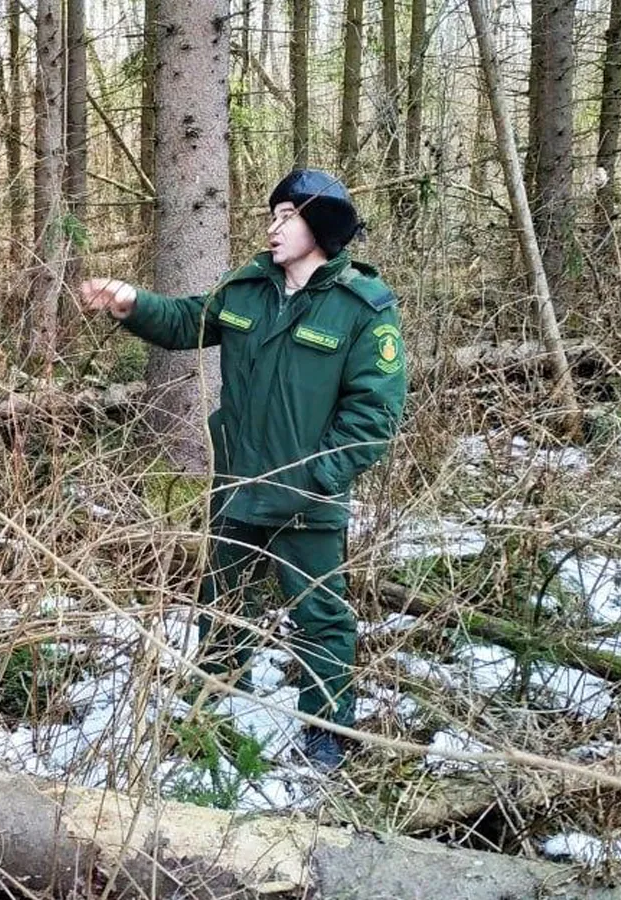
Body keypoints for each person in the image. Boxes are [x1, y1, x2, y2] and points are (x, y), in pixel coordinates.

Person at [79, 169, 407, 769]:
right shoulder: (248, 286)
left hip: (307, 499)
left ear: (322, 227)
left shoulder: (362, 308)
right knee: (222, 601)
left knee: (319, 615)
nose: (272, 226)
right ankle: (215, 701)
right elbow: (186, 323)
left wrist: (314, 480)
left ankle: (326, 728)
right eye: (272, 213)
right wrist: (131, 303)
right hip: (236, 485)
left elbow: (374, 416)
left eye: (288, 215)